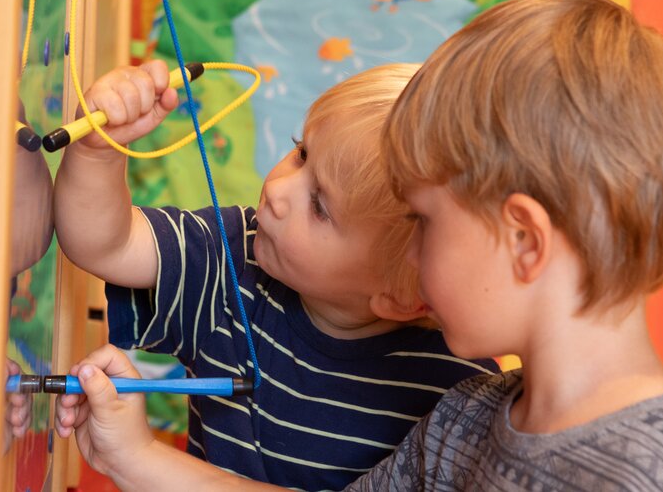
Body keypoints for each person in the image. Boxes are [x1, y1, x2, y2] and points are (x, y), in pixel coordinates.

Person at [55, 0, 663, 491]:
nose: (411, 259)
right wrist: (133, 456)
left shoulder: (654, 477)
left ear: (524, 240)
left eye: (425, 221)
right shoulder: (468, 419)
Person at [52, 62, 498, 490]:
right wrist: (97, 151)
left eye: (320, 207)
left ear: (400, 298)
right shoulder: (237, 252)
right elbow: (105, 244)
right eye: (301, 152)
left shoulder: (457, 398)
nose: (278, 189)